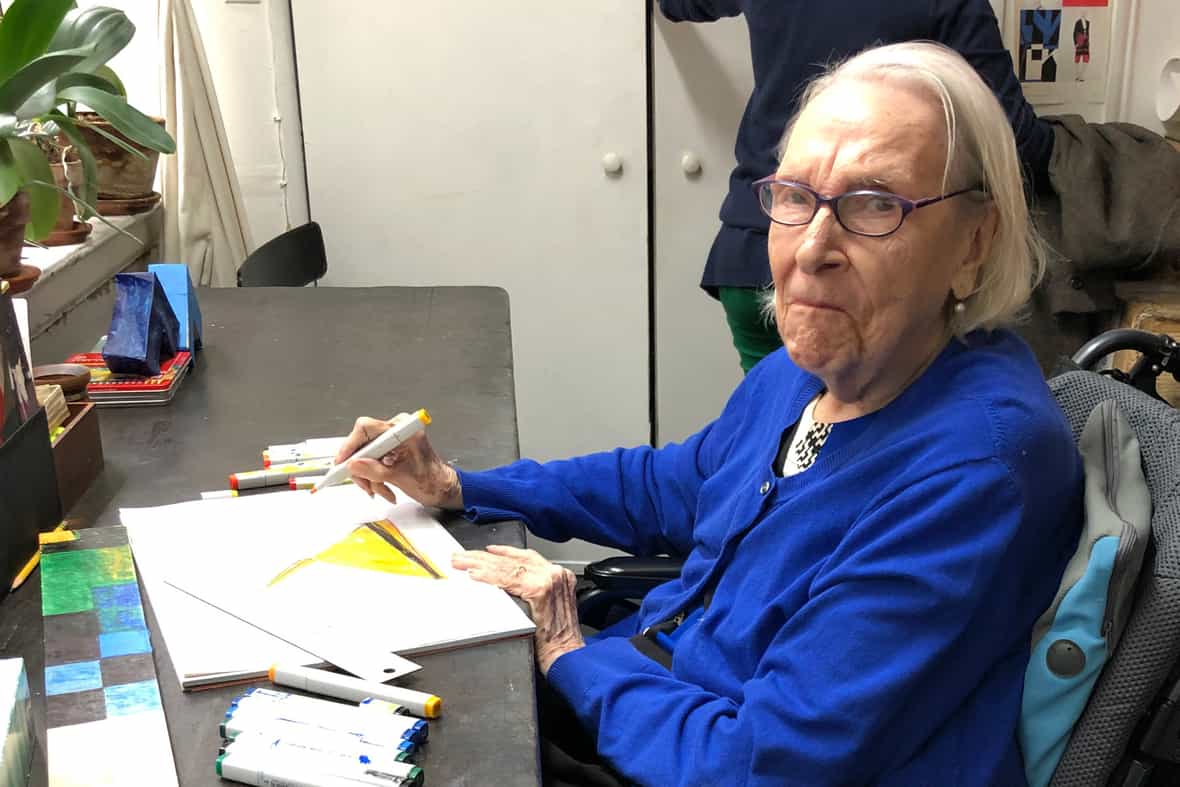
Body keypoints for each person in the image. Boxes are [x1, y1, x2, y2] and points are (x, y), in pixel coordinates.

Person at [337, 42, 1083, 787]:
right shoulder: (806, 373)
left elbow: (759, 764)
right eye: (796, 197)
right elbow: (669, 487)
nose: (812, 248)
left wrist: (568, 654)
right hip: (653, 700)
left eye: (873, 205)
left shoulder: (974, 470)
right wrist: (461, 485)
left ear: (974, 244)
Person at [655, 0, 1055, 374]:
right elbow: (1016, 141)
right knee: (835, 432)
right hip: (856, 258)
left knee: (788, 433)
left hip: (755, 242)